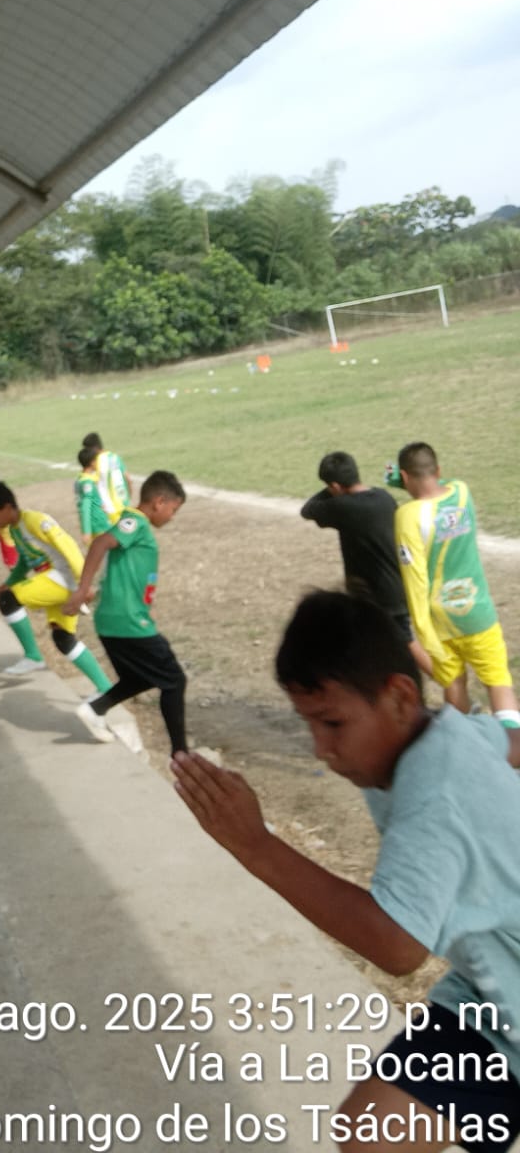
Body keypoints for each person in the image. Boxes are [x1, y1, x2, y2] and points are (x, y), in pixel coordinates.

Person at [175, 591, 520, 1151]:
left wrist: (256, 847)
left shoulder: (436, 793)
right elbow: (508, 743)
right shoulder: (446, 729)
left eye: (333, 723)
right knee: (367, 1133)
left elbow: (398, 948)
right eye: (309, 724)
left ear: (400, 697)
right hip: (488, 994)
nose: (321, 748)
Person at [392, 442, 519, 726]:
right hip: (477, 612)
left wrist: (422, 630)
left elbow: (414, 579)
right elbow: (441, 484)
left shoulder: (407, 516)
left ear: (404, 476)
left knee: (454, 684)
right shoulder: (462, 491)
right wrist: (411, 478)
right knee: (498, 683)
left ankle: (466, 743)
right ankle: (515, 745)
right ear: (437, 470)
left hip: (440, 622)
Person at [65, 471, 189, 750]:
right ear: (159, 502)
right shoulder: (136, 522)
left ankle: (95, 709)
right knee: (174, 680)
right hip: (128, 621)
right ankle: (181, 755)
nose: (172, 517)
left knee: (139, 677)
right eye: (173, 510)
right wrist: (82, 589)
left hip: (114, 620)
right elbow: (101, 543)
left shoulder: (133, 524)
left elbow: (121, 568)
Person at [0, 480, 111, 699]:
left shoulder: (35, 520)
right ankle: (105, 688)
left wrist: (83, 587)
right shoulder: (15, 529)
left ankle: (33, 656)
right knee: (62, 637)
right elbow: (25, 562)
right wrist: (9, 582)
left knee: (9, 600)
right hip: (55, 581)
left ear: (7, 507)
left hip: (65, 580)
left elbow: (69, 547)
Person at [301, 450, 432, 677]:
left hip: (381, 595)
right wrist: (337, 487)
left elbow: (308, 509)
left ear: (334, 486)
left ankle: (450, 683)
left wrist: (331, 491)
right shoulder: (383, 497)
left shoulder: (343, 507)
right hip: (397, 584)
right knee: (375, 644)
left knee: (405, 643)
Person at [82, 431, 133, 518]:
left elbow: (92, 485)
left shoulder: (94, 463)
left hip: (109, 511)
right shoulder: (115, 457)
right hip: (125, 507)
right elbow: (128, 479)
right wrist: (128, 500)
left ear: (93, 448)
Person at [75, 444, 118, 542]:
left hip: (99, 524)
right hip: (99, 526)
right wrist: (86, 531)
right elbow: (85, 506)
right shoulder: (87, 483)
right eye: (97, 460)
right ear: (92, 463)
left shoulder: (82, 479)